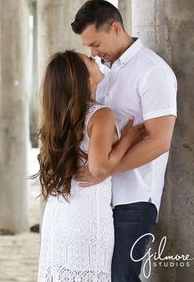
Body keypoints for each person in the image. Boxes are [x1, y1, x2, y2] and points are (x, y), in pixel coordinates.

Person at [71, 0, 177, 282]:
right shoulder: (103, 72)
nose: (92, 52)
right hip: (99, 200)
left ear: (115, 28)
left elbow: (159, 141)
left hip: (135, 199)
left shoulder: (152, 71)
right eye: (88, 47)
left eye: (95, 44)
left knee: (122, 279)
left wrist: (103, 168)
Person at [36, 50, 145, 281]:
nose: (95, 59)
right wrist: (127, 139)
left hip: (58, 215)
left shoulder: (57, 118)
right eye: (89, 60)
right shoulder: (101, 115)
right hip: (86, 217)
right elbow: (98, 169)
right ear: (86, 79)